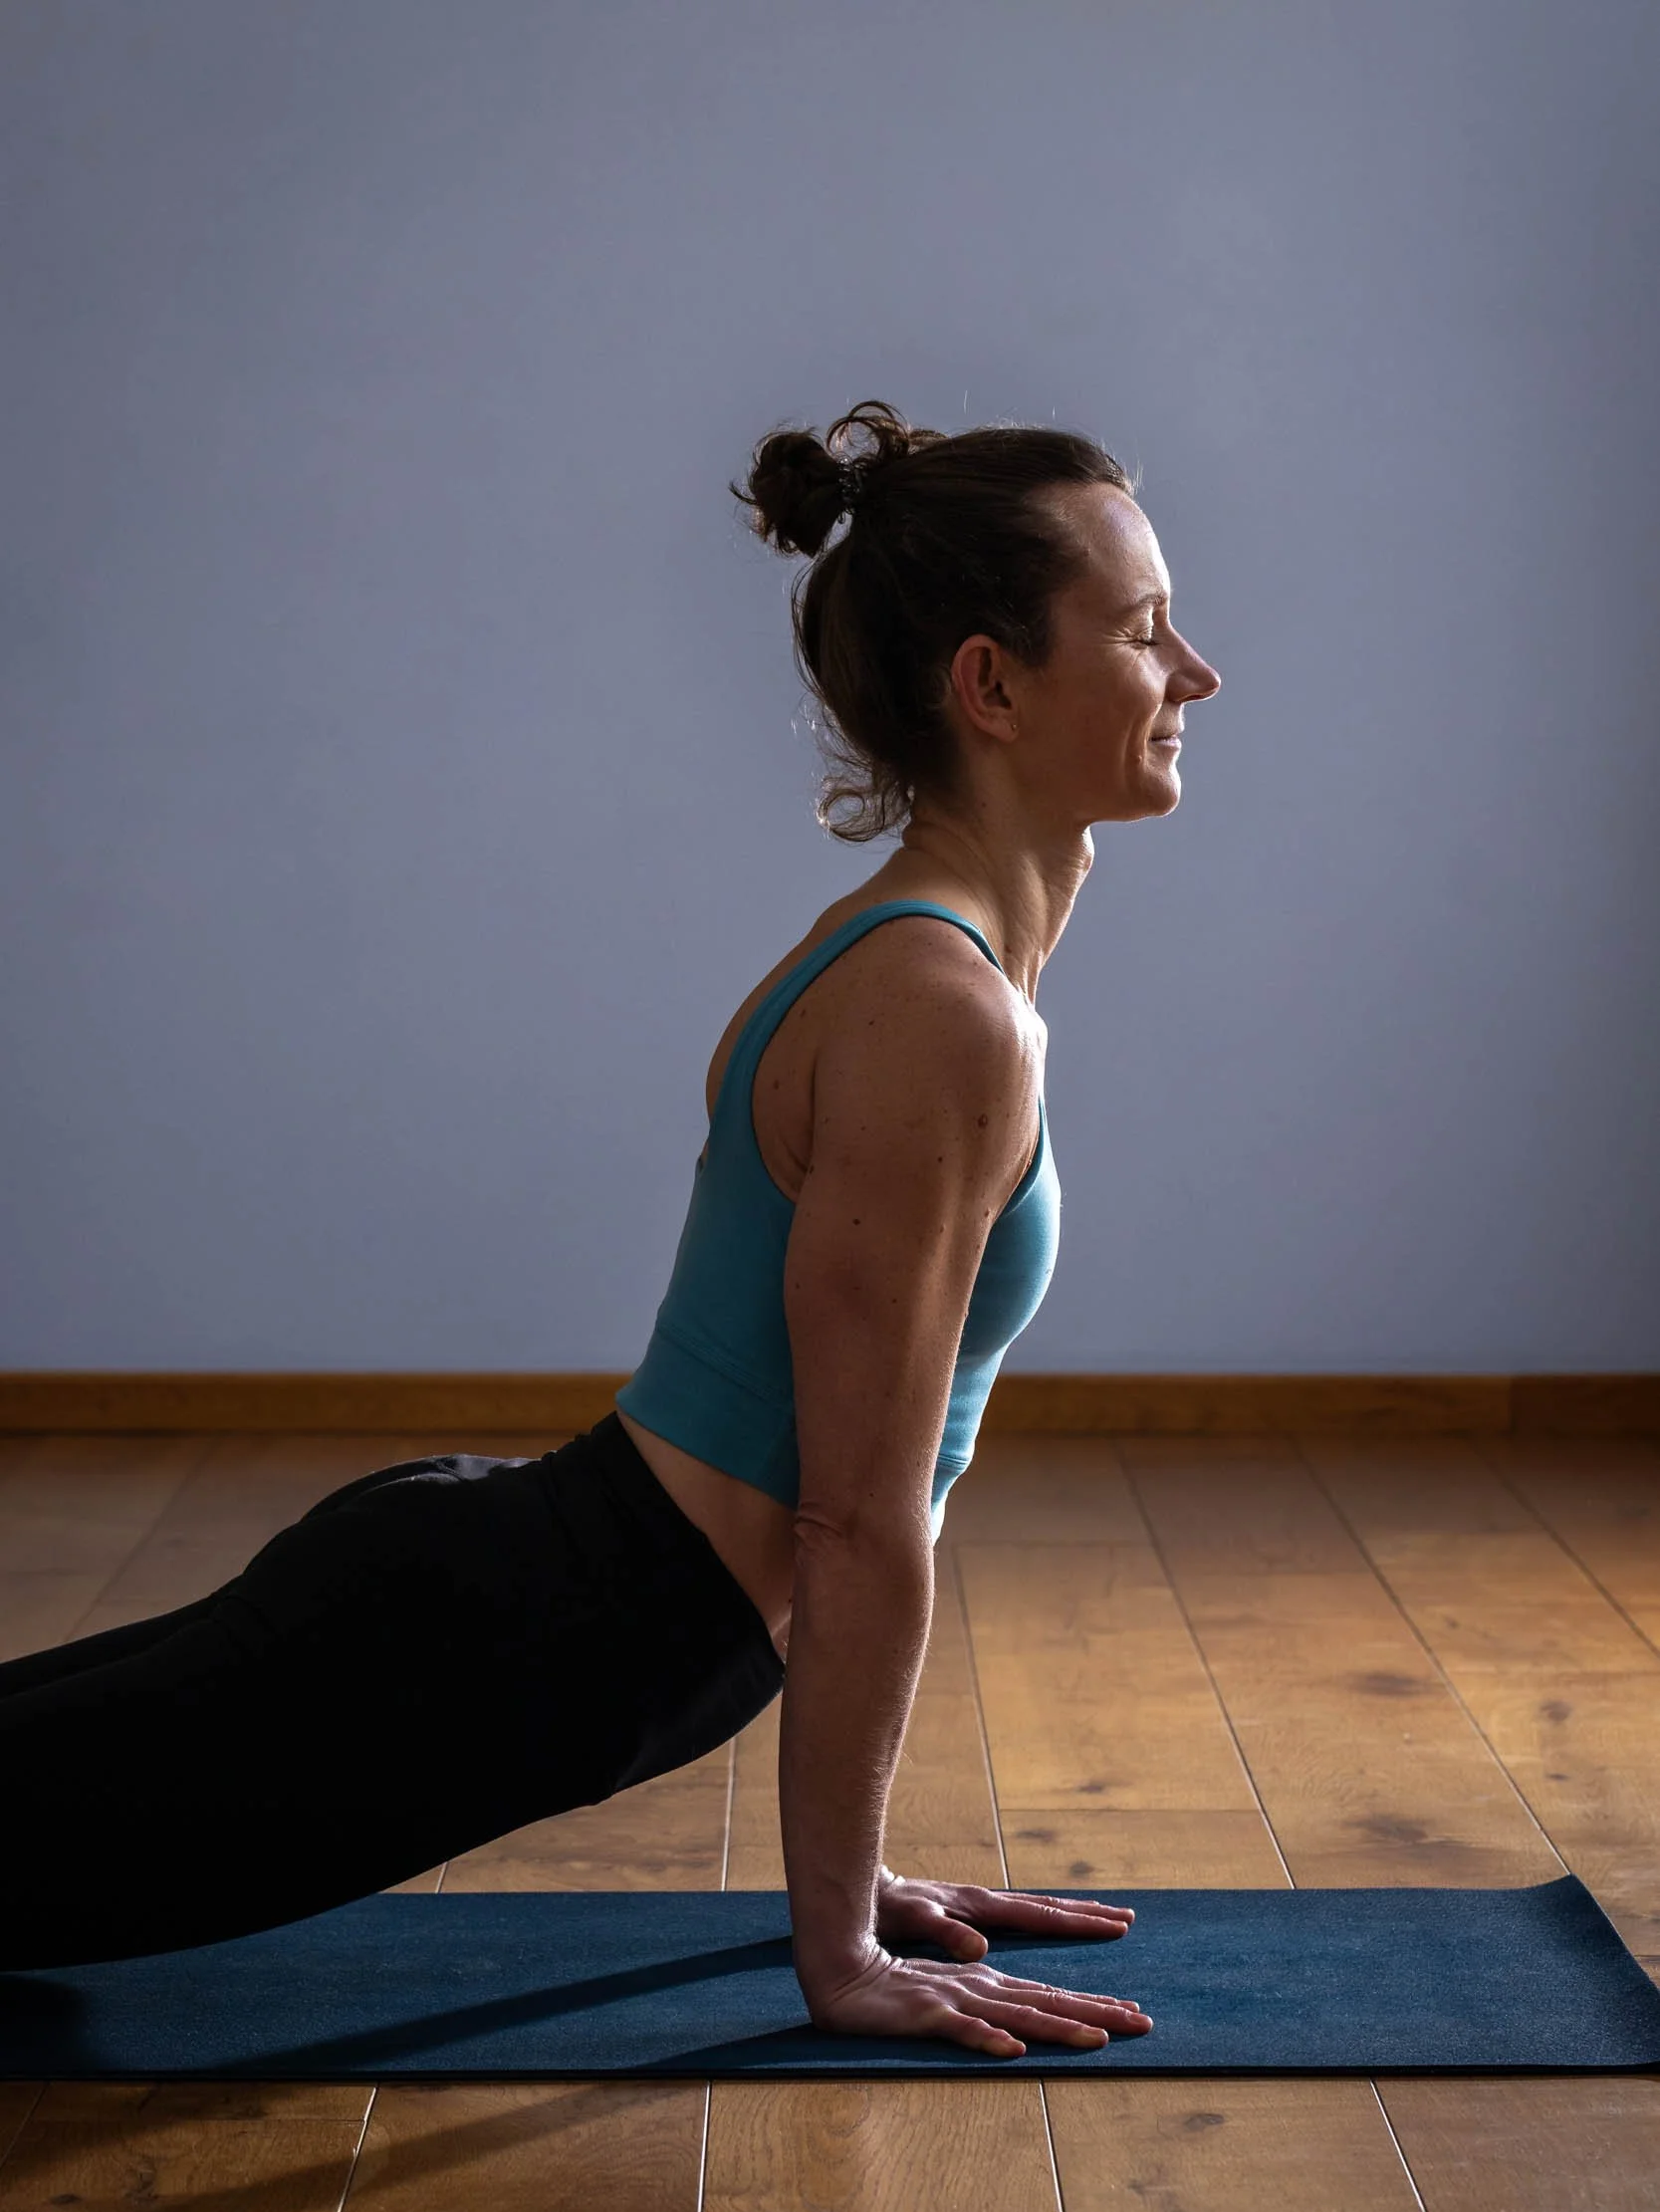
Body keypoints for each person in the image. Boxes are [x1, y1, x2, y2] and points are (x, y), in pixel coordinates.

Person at [1, 399, 1219, 2058]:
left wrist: (855, 1873)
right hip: (505, 1652)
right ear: (992, 685)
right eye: (1145, 633)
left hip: (512, 1600)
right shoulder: (938, 1009)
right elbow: (858, 1523)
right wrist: (837, 1945)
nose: (1194, 674)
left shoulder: (919, 964)